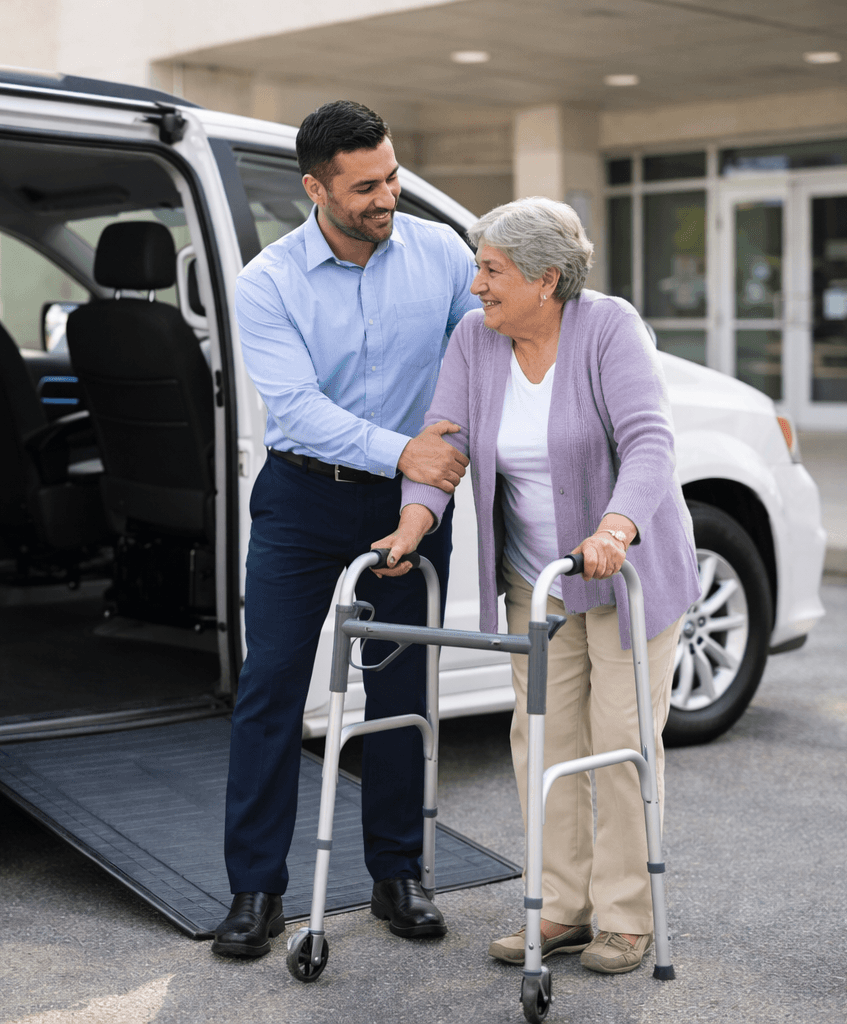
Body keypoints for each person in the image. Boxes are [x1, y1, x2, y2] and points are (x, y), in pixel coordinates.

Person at [372, 196, 700, 974]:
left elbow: (650, 441)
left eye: (491, 270)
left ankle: (626, 914)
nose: (477, 285)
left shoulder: (608, 327)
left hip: (625, 577)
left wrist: (616, 528)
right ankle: (559, 907)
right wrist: (413, 524)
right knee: (543, 743)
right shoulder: (474, 340)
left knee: (621, 745)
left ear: (545, 281)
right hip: (538, 581)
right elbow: (442, 439)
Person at [213, 100, 478, 958]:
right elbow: (298, 411)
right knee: (272, 690)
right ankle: (256, 891)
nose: (385, 196)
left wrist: (425, 477)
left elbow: (469, 370)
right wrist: (408, 448)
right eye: (365, 185)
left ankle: (398, 876)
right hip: (303, 499)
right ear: (315, 188)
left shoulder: (441, 252)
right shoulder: (267, 283)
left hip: (407, 505)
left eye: (392, 176)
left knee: (401, 692)